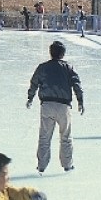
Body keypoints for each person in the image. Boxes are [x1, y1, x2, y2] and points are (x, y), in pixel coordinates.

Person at [26, 40, 84, 173]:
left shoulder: (42, 67)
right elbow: (77, 85)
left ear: (50, 53)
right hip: (63, 107)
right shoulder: (68, 68)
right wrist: (80, 101)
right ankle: (67, 165)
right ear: (63, 54)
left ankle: (41, 166)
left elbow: (34, 83)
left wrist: (30, 97)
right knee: (65, 137)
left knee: (44, 137)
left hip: (47, 105)